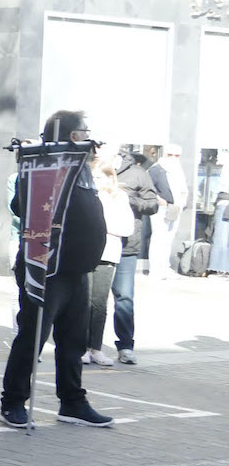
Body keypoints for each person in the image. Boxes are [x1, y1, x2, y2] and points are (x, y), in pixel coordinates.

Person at [0, 110, 114, 429]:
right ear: (73, 136)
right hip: (47, 268)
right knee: (33, 337)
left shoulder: (83, 169)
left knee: (73, 340)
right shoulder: (44, 164)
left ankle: (72, 401)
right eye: (86, 132)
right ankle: (13, 401)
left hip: (78, 269)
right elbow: (22, 205)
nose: (92, 139)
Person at [108, 144, 159, 363]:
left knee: (125, 297)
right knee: (92, 300)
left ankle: (126, 346)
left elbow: (152, 205)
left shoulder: (138, 173)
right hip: (97, 244)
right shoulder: (93, 169)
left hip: (127, 244)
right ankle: (88, 346)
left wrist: (127, 199)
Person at [81, 150, 131, 369]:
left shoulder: (119, 196)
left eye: (100, 177)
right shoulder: (85, 194)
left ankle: (96, 347)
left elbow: (127, 227)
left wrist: (102, 225)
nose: (96, 181)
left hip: (107, 254)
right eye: (93, 177)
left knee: (99, 303)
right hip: (85, 252)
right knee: (82, 302)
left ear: (110, 178)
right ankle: (81, 347)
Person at [151, 143, 191, 278]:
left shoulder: (178, 170)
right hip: (161, 208)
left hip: (175, 208)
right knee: (158, 239)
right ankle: (156, 269)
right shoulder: (156, 169)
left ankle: (164, 266)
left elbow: (184, 189)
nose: (173, 158)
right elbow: (149, 188)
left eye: (177, 155)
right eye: (170, 154)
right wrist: (159, 199)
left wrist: (181, 203)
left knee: (168, 239)